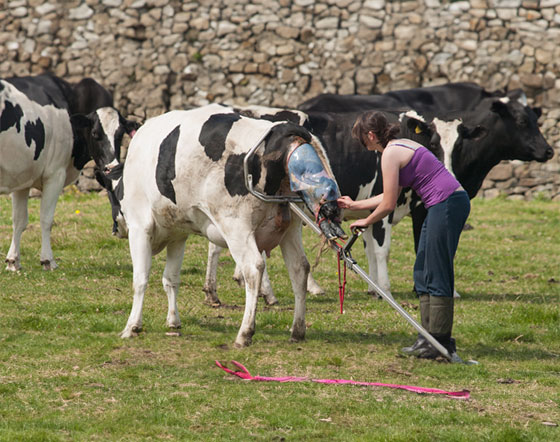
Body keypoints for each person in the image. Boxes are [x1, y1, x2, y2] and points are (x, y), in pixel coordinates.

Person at [337, 111, 470, 360]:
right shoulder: (399, 147)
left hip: (448, 203)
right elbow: (393, 194)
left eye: (362, 140)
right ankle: (427, 337)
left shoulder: (390, 153)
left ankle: (440, 343)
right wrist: (355, 205)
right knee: (423, 270)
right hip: (442, 204)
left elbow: (388, 205)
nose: (363, 146)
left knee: (437, 269)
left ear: (371, 135)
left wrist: (365, 220)